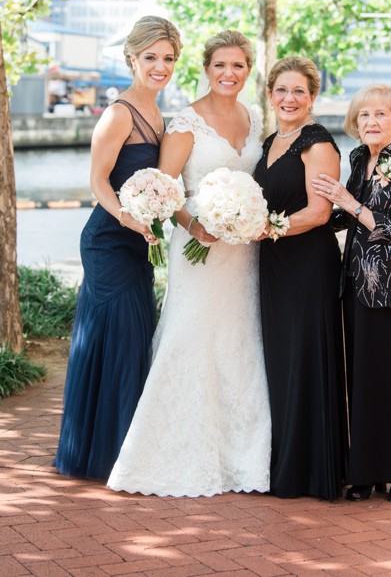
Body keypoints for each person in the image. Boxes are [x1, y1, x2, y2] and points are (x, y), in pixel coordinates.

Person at [107, 30, 270, 496]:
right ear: (206, 68)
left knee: (240, 339)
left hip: (242, 250)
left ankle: (243, 457)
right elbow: (167, 188)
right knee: (192, 335)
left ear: (248, 70)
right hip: (198, 248)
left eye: (238, 65)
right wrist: (196, 224)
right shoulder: (185, 122)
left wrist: (249, 217)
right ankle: (172, 451)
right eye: (220, 65)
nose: (228, 73)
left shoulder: (255, 117)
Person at [54, 16, 182, 480]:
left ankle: (129, 448)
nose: (160, 66)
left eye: (168, 58)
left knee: (132, 337)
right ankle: (106, 453)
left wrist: (157, 216)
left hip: (139, 240)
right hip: (109, 240)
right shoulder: (119, 113)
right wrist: (129, 216)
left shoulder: (160, 114)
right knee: (120, 336)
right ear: (132, 58)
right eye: (151, 57)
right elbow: (97, 182)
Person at [312, 83, 391, 504]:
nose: (371, 122)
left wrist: (347, 201)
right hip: (360, 285)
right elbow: (346, 217)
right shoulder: (360, 157)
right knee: (362, 379)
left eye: (381, 114)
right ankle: (364, 473)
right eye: (364, 115)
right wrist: (302, 219)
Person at [254, 56, 347, 500]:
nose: (289, 99)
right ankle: (280, 459)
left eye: (299, 92)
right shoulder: (271, 139)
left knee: (304, 359)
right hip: (273, 264)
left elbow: (318, 212)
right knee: (280, 360)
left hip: (308, 264)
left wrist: (266, 228)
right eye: (281, 91)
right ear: (270, 94)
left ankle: (307, 469)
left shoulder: (318, 143)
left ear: (312, 98)